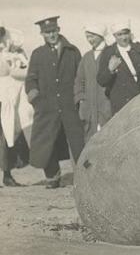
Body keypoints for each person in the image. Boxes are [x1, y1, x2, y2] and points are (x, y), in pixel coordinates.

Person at [25, 16, 84, 189]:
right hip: (46, 106)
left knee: (77, 141)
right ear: (42, 34)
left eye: (54, 31)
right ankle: (52, 177)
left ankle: (82, 176)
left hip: (69, 105)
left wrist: (79, 97)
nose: (51, 35)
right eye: (47, 32)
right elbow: (30, 79)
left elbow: (80, 78)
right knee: (46, 141)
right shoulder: (38, 54)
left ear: (59, 30)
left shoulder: (72, 52)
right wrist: (34, 96)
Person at [97, 22, 140, 115]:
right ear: (114, 36)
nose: (124, 37)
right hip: (121, 104)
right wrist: (110, 70)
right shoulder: (108, 52)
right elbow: (101, 81)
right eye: (119, 34)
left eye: (125, 33)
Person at [0, 21, 30, 186]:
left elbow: (23, 70)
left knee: (7, 133)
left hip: (9, 97)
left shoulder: (13, 53)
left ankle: (7, 174)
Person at [74, 24, 112, 143]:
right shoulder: (86, 57)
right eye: (87, 37)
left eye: (92, 36)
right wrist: (80, 99)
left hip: (107, 106)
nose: (90, 40)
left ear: (100, 35)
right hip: (89, 109)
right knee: (91, 141)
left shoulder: (111, 52)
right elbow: (79, 80)